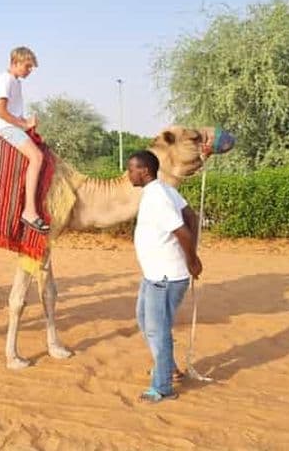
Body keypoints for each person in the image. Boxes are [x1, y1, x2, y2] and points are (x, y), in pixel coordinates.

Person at [127, 150, 202, 403]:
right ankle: (167, 368)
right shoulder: (163, 189)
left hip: (165, 276)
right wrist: (192, 256)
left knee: (158, 330)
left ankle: (162, 387)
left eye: (132, 169)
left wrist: (192, 260)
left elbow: (182, 230)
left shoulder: (158, 196)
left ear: (144, 171)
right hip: (155, 274)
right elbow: (191, 215)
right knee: (145, 319)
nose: (129, 174)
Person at [0, 46, 49, 233]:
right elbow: (0, 111)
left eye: (31, 67)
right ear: (15, 63)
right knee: (37, 157)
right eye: (27, 66)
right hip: (4, 127)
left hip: (12, 126)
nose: (29, 70)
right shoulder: (5, 79)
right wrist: (23, 125)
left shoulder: (15, 82)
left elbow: (13, 112)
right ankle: (29, 211)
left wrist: (27, 123)